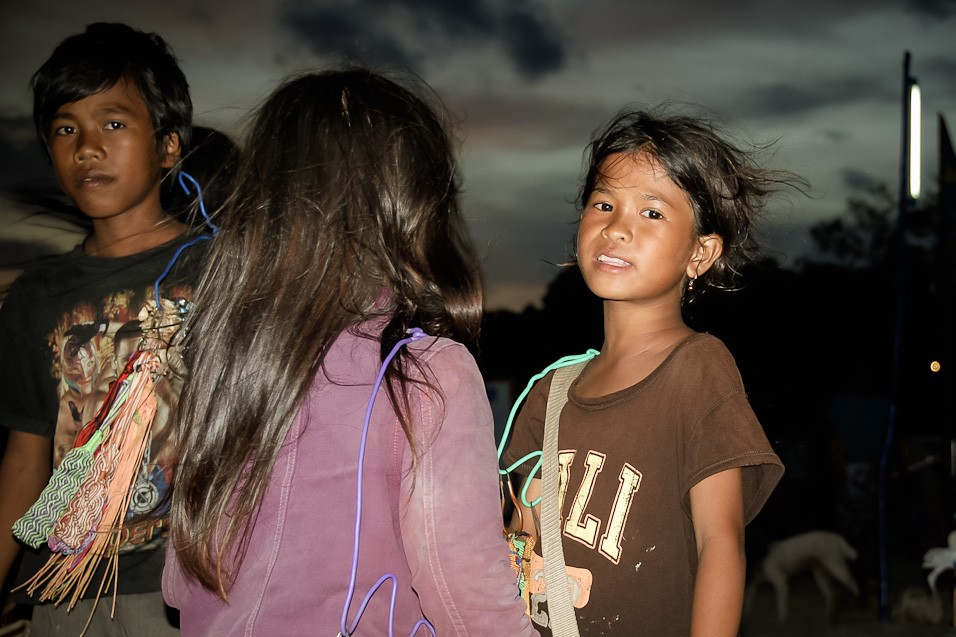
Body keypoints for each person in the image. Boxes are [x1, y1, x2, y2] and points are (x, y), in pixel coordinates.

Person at [162, 69, 537, 636]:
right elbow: (463, 589)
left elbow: (177, 582)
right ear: (409, 203)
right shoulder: (428, 372)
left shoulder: (226, 362)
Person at [503, 109, 792, 636]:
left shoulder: (698, 369)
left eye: (652, 213)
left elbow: (720, 543)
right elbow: (518, 539)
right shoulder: (550, 391)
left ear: (700, 253)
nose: (617, 227)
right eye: (604, 204)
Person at [0, 22, 202, 635]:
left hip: (186, 590)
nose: (87, 146)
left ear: (168, 146)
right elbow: (25, 460)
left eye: (113, 124)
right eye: (66, 129)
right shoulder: (36, 297)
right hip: (63, 600)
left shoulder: (222, 271)